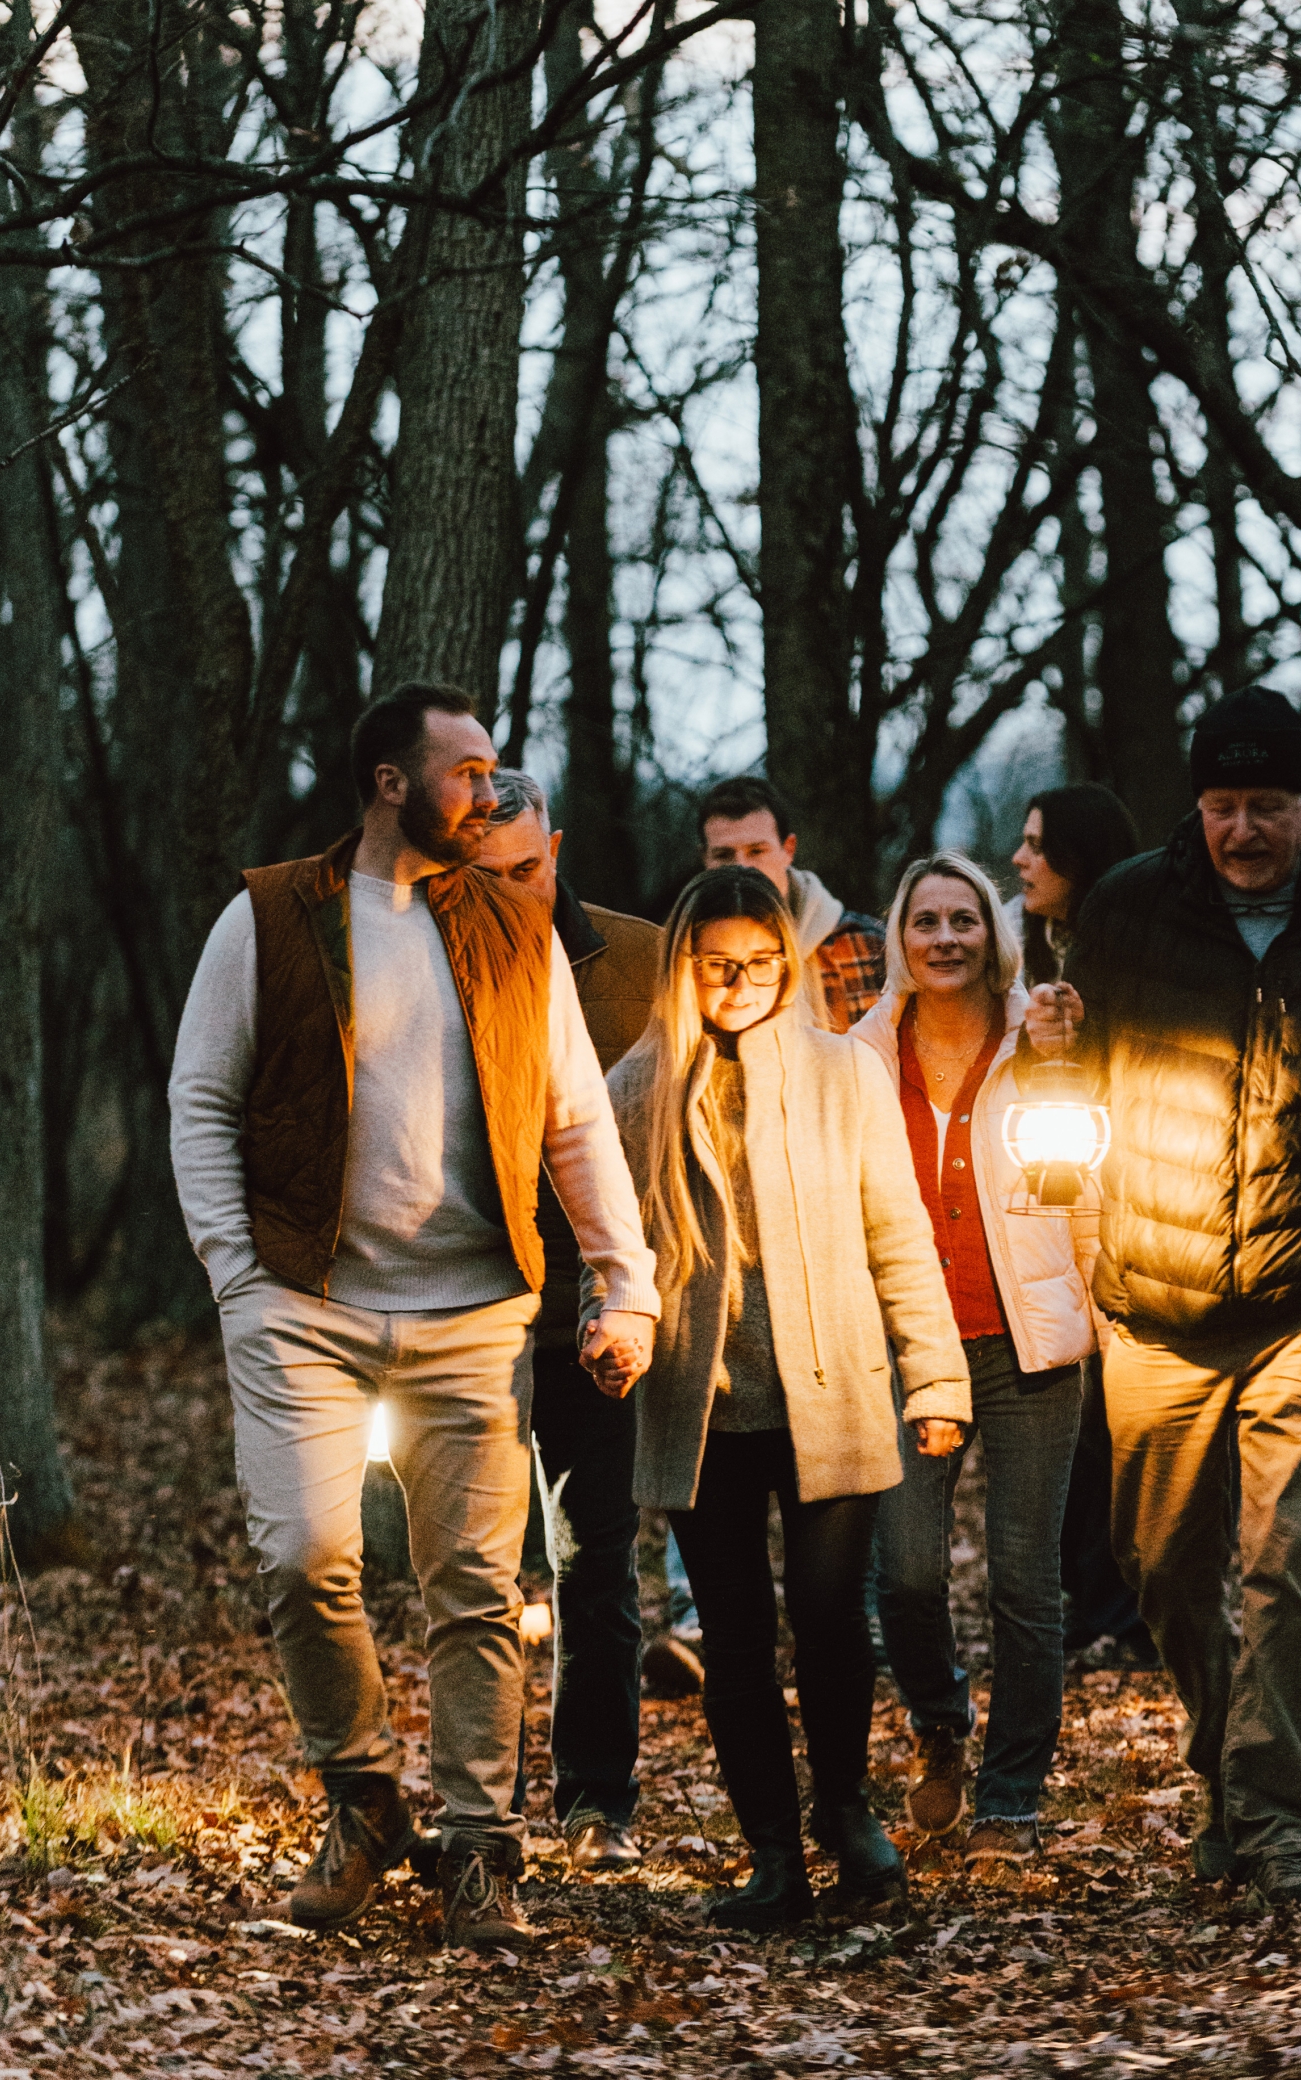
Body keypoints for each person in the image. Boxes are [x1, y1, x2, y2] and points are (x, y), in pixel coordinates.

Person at [169, 683, 659, 1949]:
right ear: (390, 781)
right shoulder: (269, 916)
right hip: (303, 1303)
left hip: (476, 1311)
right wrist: (238, 1275)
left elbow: (575, 1123)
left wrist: (628, 1280)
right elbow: (200, 1100)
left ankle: (483, 1850)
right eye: (468, 767)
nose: (490, 791)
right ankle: (364, 1796)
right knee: (301, 1560)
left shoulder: (512, 928)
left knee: (477, 1590)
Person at [1023, 683, 1301, 1908]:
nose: (1240, 830)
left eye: (1263, 804)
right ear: (1197, 806)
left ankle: (1280, 1824)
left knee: (1285, 1560)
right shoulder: (1123, 914)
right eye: (1220, 805)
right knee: (1160, 1563)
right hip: (1153, 1298)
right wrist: (1054, 1049)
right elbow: (1071, 1070)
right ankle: (1226, 1753)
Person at [598, 865, 971, 1930]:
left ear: (786, 961)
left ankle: (846, 1812)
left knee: (827, 1615)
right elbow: (611, 1249)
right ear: (685, 967)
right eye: (718, 967)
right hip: (703, 1404)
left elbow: (898, 1234)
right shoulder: (637, 1089)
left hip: (832, 1392)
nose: (741, 985)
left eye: (760, 964)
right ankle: (771, 1852)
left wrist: (934, 1375)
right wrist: (609, 1324)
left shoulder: (840, 1074)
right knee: (734, 1634)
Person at [852, 853, 1094, 1864]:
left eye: (963, 920)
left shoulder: (1039, 1038)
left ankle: (1010, 1796)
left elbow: (1091, 1171)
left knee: (1023, 1582)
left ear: (991, 937)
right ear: (899, 939)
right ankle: (939, 1719)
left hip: (1029, 1342)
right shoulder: (859, 1055)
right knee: (903, 1572)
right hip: (910, 1345)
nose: (944, 938)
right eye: (925, 921)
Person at [476, 769, 676, 1873]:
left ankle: (598, 1801)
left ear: (554, 846)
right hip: (474, 1314)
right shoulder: (434, 959)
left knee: (595, 1558)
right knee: (479, 1572)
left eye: (523, 868)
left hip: (598, 1313)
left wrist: (640, 1290)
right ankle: (483, 1805)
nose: (506, 891)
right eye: (480, 873)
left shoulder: (640, 963)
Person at [1008, 783, 1155, 1668]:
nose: (1021, 859)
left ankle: (1120, 1606)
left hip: (1125, 1210)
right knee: (1070, 1421)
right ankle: (1087, 1600)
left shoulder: (1116, 951)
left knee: (1113, 1427)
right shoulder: (1031, 950)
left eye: (1037, 845)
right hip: (1043, 1210)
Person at [698, 774, 886, 1031]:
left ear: (788, 849)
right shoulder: (686, 957)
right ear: (705, 859)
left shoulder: (868, 948)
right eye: (724, 855)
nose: (741, 868)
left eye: (756, 851)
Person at [1011, 782, 1139, 987]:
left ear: (1082, 857)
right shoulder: (1004, 936)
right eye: (1024, 842)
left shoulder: (1148, 946)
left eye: (1035, 845)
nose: (1017, 858)